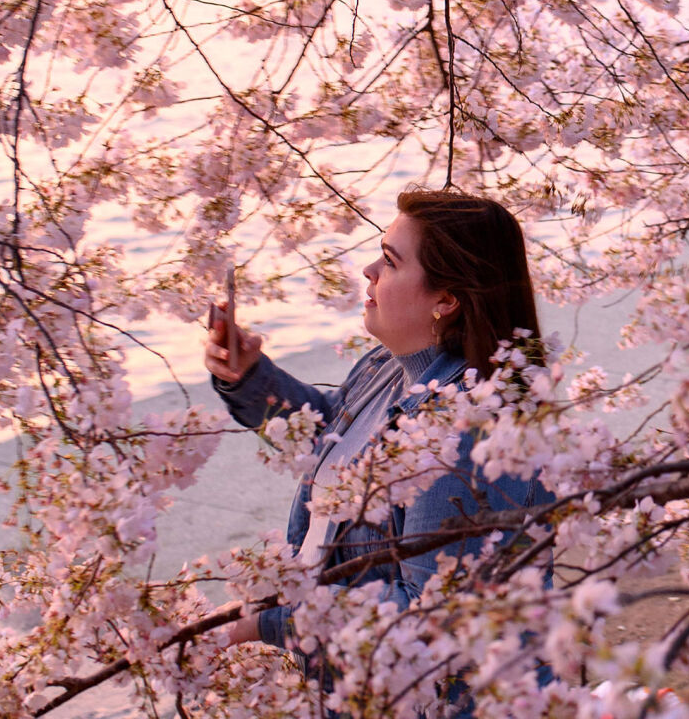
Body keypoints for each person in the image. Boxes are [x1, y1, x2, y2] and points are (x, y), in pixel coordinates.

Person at [204, 189, 551, 692]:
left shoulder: (467, 427)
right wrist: (248, 376)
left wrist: (268, 624)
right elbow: (330, 438)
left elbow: (425, 613)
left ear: (446, 299)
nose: (368, 269)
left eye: (389, 261)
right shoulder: (385, 367)